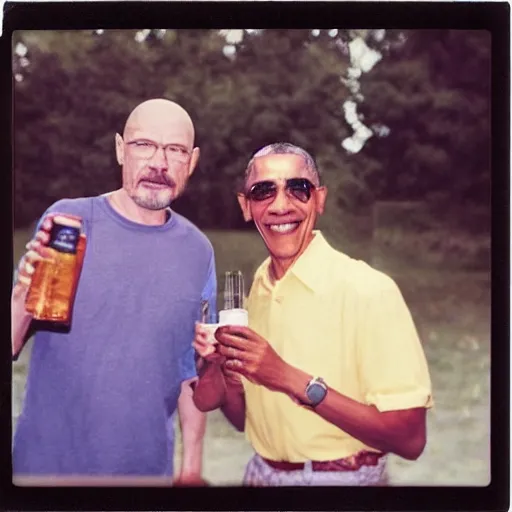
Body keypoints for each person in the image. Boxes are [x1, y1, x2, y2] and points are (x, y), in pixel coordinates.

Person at [192, 142, 433, 486]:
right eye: (263, 191)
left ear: (319, 199)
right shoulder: (258, 288)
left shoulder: (369, 290)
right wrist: (217, 366)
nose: (280, 205)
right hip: (260, 474)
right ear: (246, 206)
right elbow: (248, 420)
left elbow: (410, 440)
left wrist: (288, 378)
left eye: (298, 189)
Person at [11, 98, 216, 485]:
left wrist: (190, 469)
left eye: (175, 150)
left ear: (192, 161)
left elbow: (193, 374)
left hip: (145, 477)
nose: (159, 163)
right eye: (144, 145)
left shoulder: (198, 251)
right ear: (121, 149)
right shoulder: (69, 222)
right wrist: (23, 292)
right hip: (43, 473)